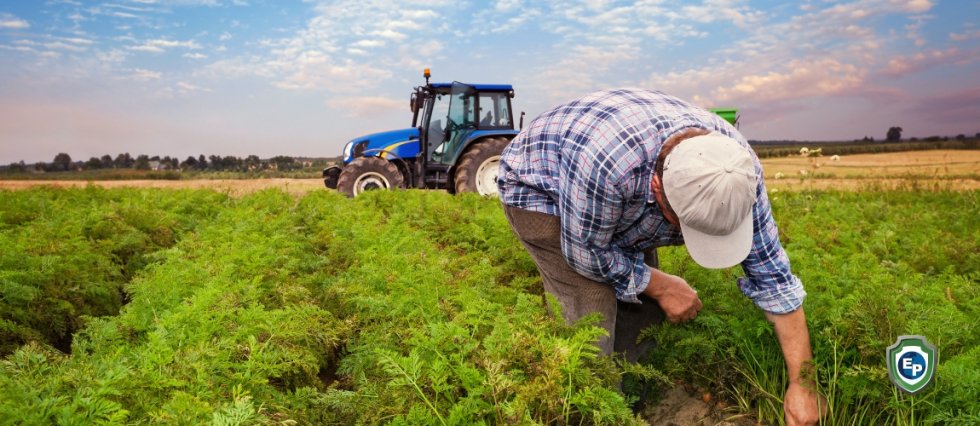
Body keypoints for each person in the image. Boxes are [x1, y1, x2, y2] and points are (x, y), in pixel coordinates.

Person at [497, 88, 822, 425]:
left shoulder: (737, 172)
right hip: (541, 187)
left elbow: (774, 281)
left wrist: (804, 385)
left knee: (643, 312)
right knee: (590, 312)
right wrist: (660, 284)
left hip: (619, 188)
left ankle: (637, 399)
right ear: (657, 188)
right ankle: (594, 409)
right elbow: (586, 253)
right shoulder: (609, 168)